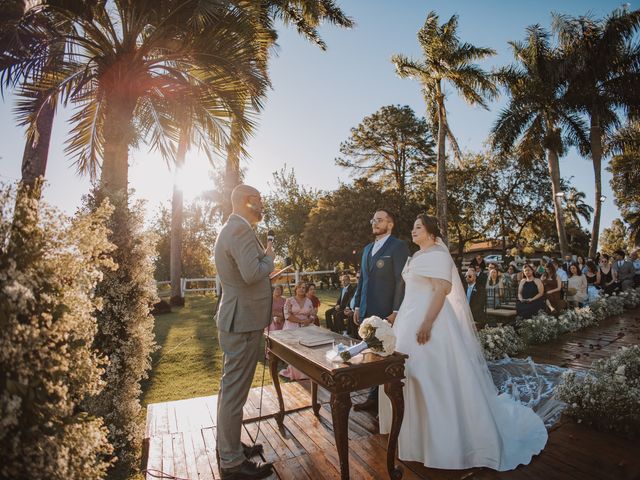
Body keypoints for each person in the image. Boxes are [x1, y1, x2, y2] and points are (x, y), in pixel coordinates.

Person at [379, 214, 547, 470]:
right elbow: (411, 293)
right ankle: (412, 436)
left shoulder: (438, 254)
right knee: (407, 375)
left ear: (432, 232)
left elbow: (440, 290)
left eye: (418, 227)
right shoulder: (416, 257)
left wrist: (427, 323)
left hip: (430, 321)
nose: (413, 231)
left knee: (432, 377)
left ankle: (442, 442)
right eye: (412, 226)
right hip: (407, 319)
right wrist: (398, 316)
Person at [214, 184, 274, 480]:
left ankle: (229, 447)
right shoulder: (239, 230)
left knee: (229, 390)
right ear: (247, 202)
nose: (262, 206)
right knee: (234, 393)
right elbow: (252, 274)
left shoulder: (234, 228)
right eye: (259, 201)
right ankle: (232, 464)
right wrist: (269, 256)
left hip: (238, 319)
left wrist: (261, 259)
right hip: (243, 322)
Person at [352, 209, 409, 413]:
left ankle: (384, 401)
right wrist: (357, 305)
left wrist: (396, 310)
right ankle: (373, 398)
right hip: (367, 309)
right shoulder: (367, 249)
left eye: (380, 220)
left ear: (390, 224)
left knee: (385, 354)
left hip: (386, 310)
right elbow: (362, 280)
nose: (375, 223)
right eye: (373, 219)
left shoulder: (398, 246)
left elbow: (401, 280)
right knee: (370, 352)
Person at [279, 282, 317, 380]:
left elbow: (312, 314)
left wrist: (309, 320)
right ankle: (294, 372)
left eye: (304, 288)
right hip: (291, 326)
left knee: (309, 347)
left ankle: (307, 371)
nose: (302, 289)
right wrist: (301, 321)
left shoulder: (308, 301)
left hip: (306, 326)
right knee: (296, 349)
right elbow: (287, 315)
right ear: (296, 289)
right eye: (299, 287)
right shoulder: (289, 300)